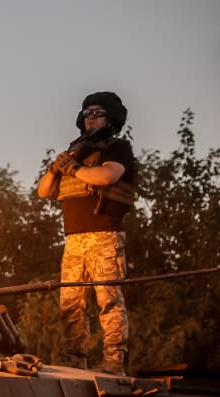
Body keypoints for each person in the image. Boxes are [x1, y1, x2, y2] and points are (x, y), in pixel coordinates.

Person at [37, 91, 137, 376]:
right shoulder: (74, 151)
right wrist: (56, 168)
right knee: (70, 305)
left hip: (104, 235)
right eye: (87, 113)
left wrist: (74, 167)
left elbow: (107, 176)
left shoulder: (116, 147)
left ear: (110, 118)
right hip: (74, 239)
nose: (90, 118)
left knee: (109, 300)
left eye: (98, 113)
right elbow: (44, 191)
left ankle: (113, 363)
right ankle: (74, 362)